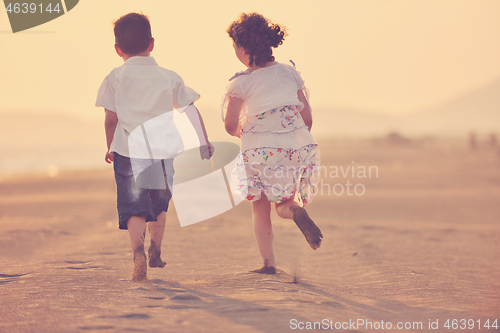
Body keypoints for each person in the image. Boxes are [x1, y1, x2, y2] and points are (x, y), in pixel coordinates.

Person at [96, 13, 213, 281]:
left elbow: (110, 119)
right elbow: (189, 110)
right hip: (163, 151)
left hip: (128, 151)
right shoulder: (168, 77)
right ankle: (155, 249)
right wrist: (203, 141)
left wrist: (110, 146)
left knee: (133, 205)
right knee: (159, 203)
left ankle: (137, 252)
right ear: (152, 43)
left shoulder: (115, 78)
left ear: (117, 49)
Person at [222, 13, 323, 274]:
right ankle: (296, 212)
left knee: (260, 205)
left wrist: (241, 133)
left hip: (258, 150)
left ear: (243, 48)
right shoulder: (289, 74)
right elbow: (307, 117)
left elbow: (230, 124)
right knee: (284, 203)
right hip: (291, 147)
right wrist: (291, 138)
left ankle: (268, 264)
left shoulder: (241, 83)